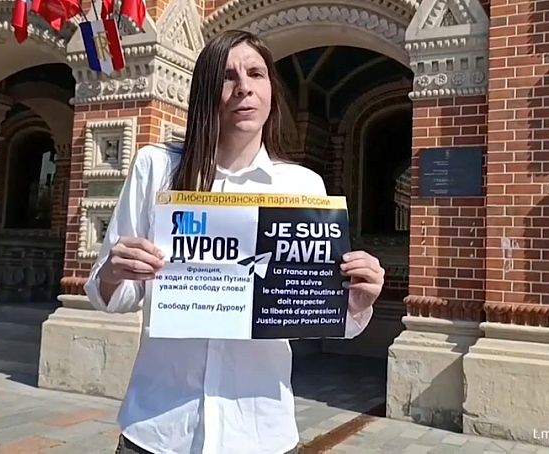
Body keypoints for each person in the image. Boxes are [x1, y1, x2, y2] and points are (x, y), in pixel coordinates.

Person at [84, 29, 385, 454]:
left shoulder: (302, 186)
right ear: (206, 91)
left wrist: (358, 298)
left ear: (271, 92)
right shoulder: (157, 168)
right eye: (227, 76)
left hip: (259, 430)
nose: (243, 87)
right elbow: (110, 295)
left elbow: (322, 311)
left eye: (256, 74)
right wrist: (115, 271)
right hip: (159, 426)